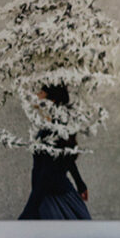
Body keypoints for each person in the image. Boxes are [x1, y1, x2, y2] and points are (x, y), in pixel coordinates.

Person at [18, 84, 91, 220]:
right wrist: (80, 184)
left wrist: (29, 211)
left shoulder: (50, 131)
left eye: (41, 92)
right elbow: (65, 157)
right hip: (62, 195)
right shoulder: (57, 126)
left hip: (53, 200)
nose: (37, 95)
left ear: (52, 101)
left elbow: (46, 174)